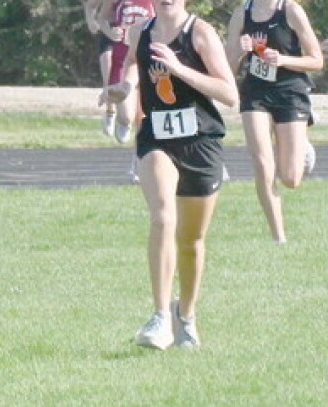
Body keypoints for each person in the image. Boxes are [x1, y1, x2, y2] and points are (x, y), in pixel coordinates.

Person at [102, 0, 238, 349]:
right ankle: (160, 316)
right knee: (163, 216)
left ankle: (186, 316)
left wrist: (179, 68)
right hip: (156, 138)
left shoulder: (202, 34)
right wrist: (124, 88)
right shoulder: (139, 32)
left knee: (191, 242)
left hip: (200, 142)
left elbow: (229, 94)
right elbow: (134, 64)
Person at [226, 0, 323, 244]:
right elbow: (227, 66)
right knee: (262, 163)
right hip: (255, 93)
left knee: (290, 178)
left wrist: (282, 60)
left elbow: (316, 60)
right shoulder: (241, 14)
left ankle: (301, 145)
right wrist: (240, 49)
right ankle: (278, 237)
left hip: (290, 91)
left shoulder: (290, 11)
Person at [97, 0, 154, 143]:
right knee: (127, 115)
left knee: (149, 113)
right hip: (123, 56)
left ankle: (144, 152)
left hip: (148, 55)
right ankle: (122, 120)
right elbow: (102, 18)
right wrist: (110, 32)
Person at [83, 0, 117, 137]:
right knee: (109, 72)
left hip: (134, 32)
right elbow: (90, 5)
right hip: (110, 30)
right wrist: (90, 20)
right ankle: (110, 111)